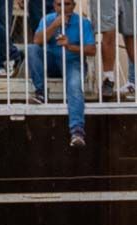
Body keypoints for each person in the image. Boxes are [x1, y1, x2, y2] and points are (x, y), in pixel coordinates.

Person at [27, 0, 95, 148]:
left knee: (74, 86)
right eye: (59, 4)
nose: (63, 8)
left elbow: (92, 50)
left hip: (72, 63)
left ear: (74, 5)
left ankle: (77, 131)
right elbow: (36, 40)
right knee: (32, 49)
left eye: (67, 4)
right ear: (54, 6)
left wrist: (70, 46)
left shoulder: (83, 22)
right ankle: (40, 92)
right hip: (52, 61)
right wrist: (55, 25)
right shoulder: (48, 19)